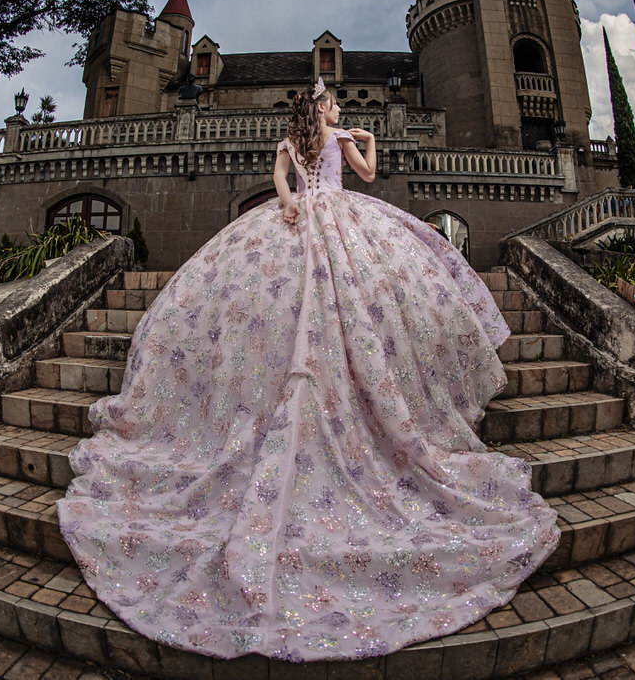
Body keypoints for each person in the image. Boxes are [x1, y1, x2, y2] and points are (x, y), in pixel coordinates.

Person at [57, 78, 559, 663]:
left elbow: (280, 181)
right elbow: (367, 177)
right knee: (363, 299)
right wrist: (367, 142)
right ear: (324, 108)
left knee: (270, 304)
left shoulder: (293, 138)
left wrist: (291, 200)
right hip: (342, 221)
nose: (342, 110)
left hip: (296, 220)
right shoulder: (339, 134)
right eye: (336, 104)